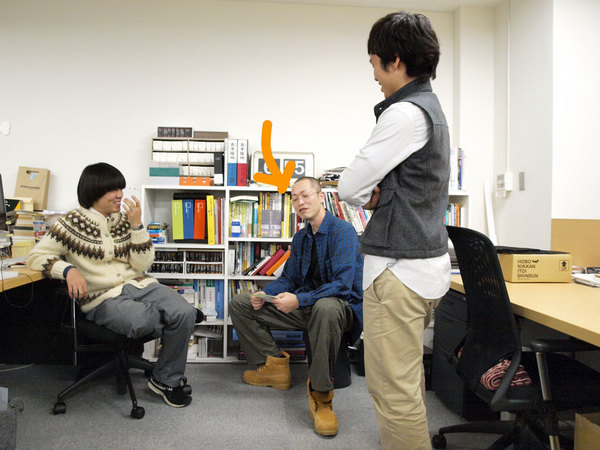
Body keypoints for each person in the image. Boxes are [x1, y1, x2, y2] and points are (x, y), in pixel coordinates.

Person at [337, 12, 451, 450]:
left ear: (395, 61)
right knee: (405, 382)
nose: (373, 76)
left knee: (392, 391)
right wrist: (380, 194)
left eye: (374, 64)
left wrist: (370, 197)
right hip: (423, 268)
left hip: (399, 272)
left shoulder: (404, 113)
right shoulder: (431, 109)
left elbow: (349, 187)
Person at [27, 162, 197, 408]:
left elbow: (142, 264)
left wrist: (137, 227)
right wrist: (68, 269)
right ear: (94, 191)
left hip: (140, 284)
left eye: (121, 189)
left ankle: (165, 380)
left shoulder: (125, 220)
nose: (120, 195)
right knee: (151, 320)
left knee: (184, 311)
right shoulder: (70, 222)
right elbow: (36, 256)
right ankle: (179, 324)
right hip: (102, 297)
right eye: (113, 190)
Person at [230, 176, 363, 437]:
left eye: (305, 195)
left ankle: (322, 396)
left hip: (338, 310)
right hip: (306, 306)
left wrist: (298, 300)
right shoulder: (301, 237)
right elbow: (290, 279)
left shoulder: (343, 231)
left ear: (320, 196)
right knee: (241, 304)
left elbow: (342, 286)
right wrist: (265, 294)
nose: (300, 202)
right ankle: (274, 367)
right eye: (294, 198)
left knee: (325, 307)